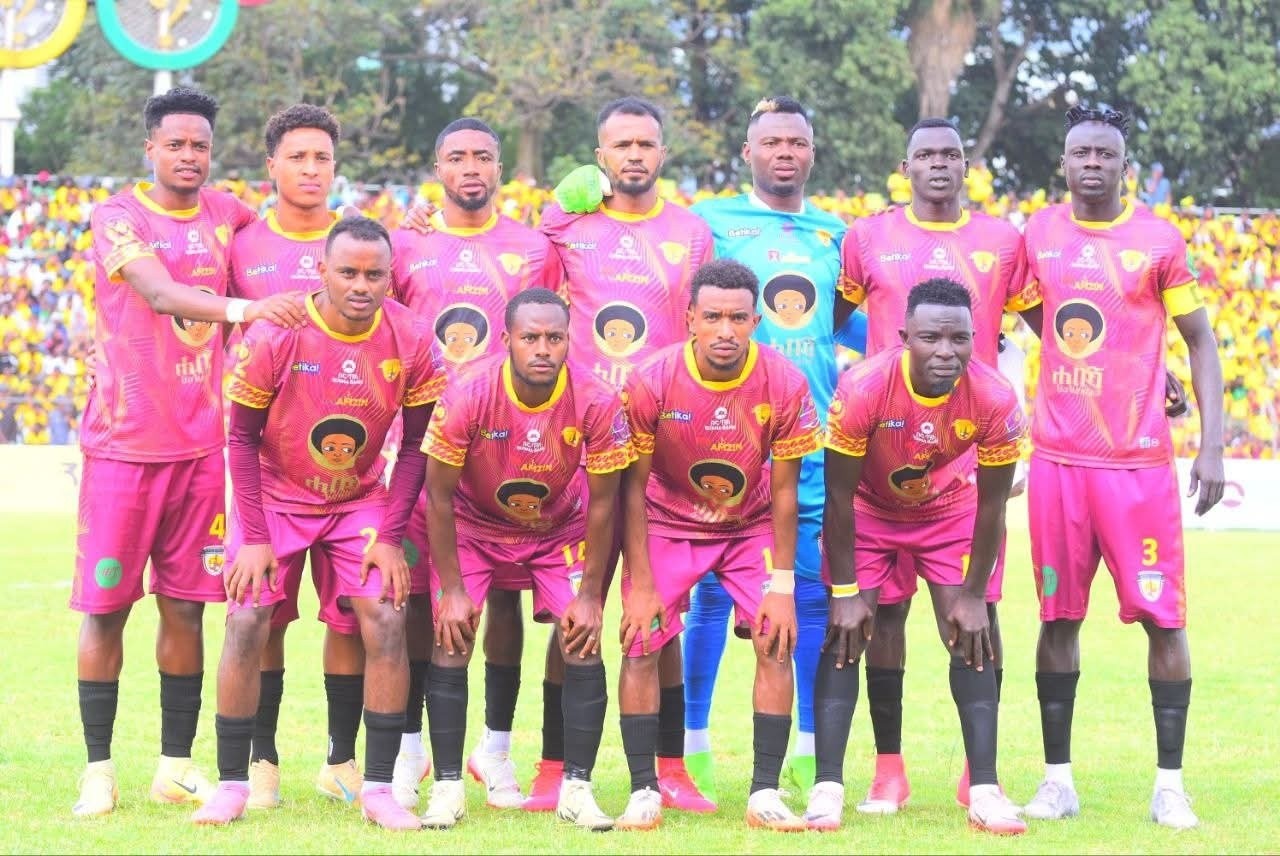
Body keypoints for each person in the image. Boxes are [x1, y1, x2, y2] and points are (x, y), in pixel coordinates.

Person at [70, 87, 304, 818]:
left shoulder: (228, 215)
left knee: (186, 610)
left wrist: (415, 224)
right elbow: (160, 294)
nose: (189, 156)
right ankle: (98, 770)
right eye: (175, 144)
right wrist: (246, 309)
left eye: (200, 145)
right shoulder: (119, 217)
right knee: (107, 611)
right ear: (151, 149)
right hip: (122, 447)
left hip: (203, 451)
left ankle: (174, 767)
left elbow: (293, 235)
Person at [192, 215, 436, 830]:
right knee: (247, 618)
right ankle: (233, 783)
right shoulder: (278, 332)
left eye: (374, 275)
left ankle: (377, 788)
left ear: (390, 277)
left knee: (387, 616)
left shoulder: (411, 336)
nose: (361, 285)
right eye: (348, 272)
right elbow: (241, 439)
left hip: (358, 501)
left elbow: (415, 447)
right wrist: (253, 537)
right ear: (322, 270)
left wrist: (390, 536)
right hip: (275, 496)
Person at [1019, 105, 1224, 830]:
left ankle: (1170, 786)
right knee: (1057, 618)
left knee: (1164, 621)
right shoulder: (1039, 233)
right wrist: (1097, 353)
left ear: (1124, 166)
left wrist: (1212, 445)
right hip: (1058, 462)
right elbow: (1032, 311)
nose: (1093, 164)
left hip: (1137, 467)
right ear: (1064, 163)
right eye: (1081, 153)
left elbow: (1201, 340)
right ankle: (1057, 782)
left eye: (1106, 154)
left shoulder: (1159, 240)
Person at [837, 116, 1041, 812]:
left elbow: (1053, 326)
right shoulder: (867, 238)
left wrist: (1148, 372)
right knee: (884, 619)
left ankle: (979, 774)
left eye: (951, 154)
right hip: (881, 456)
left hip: (966, 452)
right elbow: (826, 322)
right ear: (906, 167)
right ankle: (888, 769)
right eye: (925, 154)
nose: (939, 164)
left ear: (966, 165)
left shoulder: (1003, 241)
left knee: (975, 612)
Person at [532, 96, 715, 813]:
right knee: (573, 611)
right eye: (621, 145)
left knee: (658, 615)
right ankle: (554, 768)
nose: (634, 155)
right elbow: (530, 290)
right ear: (600, 156)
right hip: (579, 452)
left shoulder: (691, 234)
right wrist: (559, 200)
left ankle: (669, 768)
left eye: (646, 143)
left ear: (663, 153)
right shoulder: (569, 228)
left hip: (659, 454)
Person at [803, 278, 1028, 835]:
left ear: (976, 338)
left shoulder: (995, 396)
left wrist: (974, 595)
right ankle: (828, 788)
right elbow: (838, 497)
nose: (945, 351)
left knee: (972, 633)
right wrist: (846, 592)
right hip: (870, 510)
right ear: (905, 337)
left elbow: (993, 506)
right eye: (930, 338)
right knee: (844, 633)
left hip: (950, 511)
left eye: (959, 339)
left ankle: (984, 789)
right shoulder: (863, 387)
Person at [680, 96, 853, 799]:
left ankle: (807, 750)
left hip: (810, 440)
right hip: (725, 438)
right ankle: (693, 744)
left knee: (805, 593)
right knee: (712, 595)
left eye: (797, 142)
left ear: (812, 152)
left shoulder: (837, 234)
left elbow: (864, 325)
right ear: (747, 152)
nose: (785, 152)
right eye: (772, 141)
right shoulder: (709, 223)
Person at [390, 117, 564, 811]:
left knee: (504, 599)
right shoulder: (407, 244)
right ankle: (410, 747)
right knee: (418, 600)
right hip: (421, 448)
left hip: (508, 453)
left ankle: (495, 748)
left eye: (483, 157)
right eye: (457, 156)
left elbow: (554, 332)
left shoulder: (532, 247)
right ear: (438, 166)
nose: (471, 167)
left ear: (499, 168)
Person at [614, 258, 821, 831]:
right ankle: (643, 790)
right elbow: (632, 488)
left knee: (776, 640)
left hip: (749, 526)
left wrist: (782, 586)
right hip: (667, 523)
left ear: (756, 321)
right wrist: (642, 584)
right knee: (639, 641)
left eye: (737, 318)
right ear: (690, 319)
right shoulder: (651, 380)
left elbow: (786, 492)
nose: (725, 330)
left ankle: (764, 794)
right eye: (712, 317)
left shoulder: (784, 381)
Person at [417, 288, 632, 831]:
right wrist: (453, 591)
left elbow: (604, 502)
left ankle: (576, 789)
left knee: (582, 640)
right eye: (530, 337)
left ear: (568, 340)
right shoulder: (467, 393)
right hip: (473, 527)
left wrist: (591, 595)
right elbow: (437, 496)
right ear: (507, 339)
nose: (542, 349)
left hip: (558, 530)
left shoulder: (596, 398)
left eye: (554, 338)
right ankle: (447, 787)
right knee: (452, 636)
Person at [225, 102, 370, 811]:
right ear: (271, 166)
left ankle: (341, 761)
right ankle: (261, 761)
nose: (311, 170)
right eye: (298, 157)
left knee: (349, 619)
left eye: (322, 158)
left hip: (351, 476)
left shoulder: (363, 242)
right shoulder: (241, 244)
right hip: (269, 475)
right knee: (266, 619)